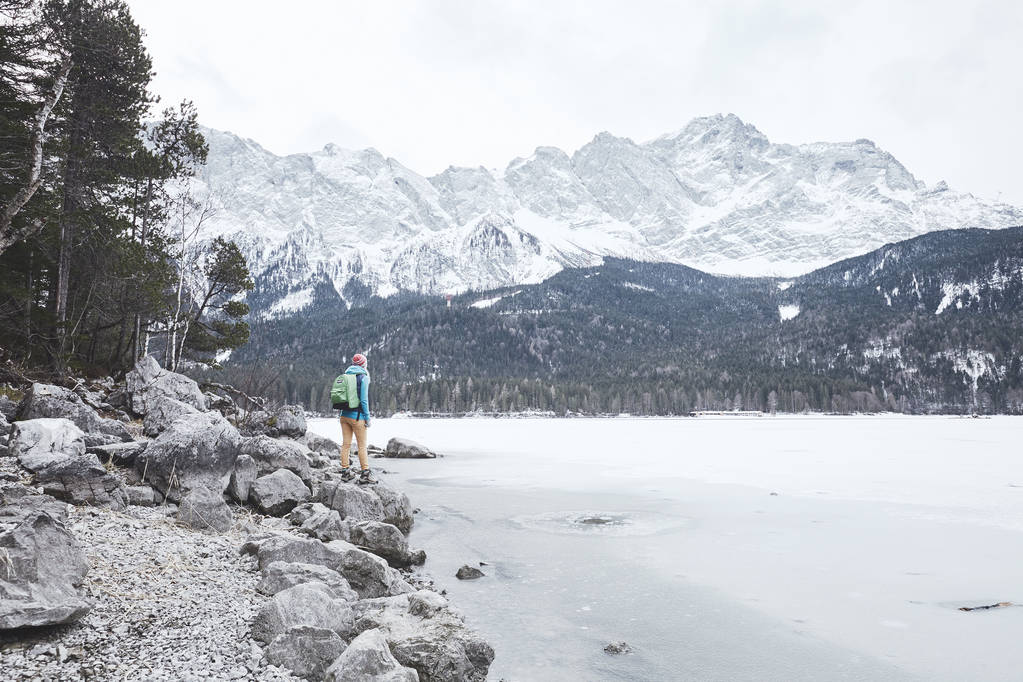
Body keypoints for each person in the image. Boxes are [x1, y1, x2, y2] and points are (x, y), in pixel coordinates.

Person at [339, 353, 376, 484]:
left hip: (344, 416)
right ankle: (365, 474)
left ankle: (345, 473)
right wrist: (367, 418)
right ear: (363, 364)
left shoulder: (345, 375)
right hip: (357, 417)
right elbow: (364, 400)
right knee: (362, 446)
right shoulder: (363, 377)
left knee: (346, 444)